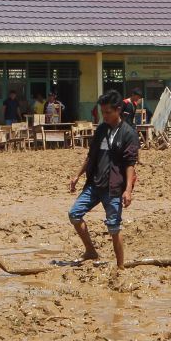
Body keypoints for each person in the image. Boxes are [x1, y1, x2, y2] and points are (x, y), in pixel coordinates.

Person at [69, 91, 139, 269]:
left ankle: (121, 267)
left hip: (114, 188)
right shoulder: (101, 129)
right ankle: (90, 251)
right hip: (94, 184)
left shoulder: (128, 133)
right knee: (74, 214)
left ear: (118, 110)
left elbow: (130, 164)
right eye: (103, 112)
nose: (105, 116)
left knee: (114, 228)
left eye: (108, 112)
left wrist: (128, 190)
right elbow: (91, 156)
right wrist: (77, 175)